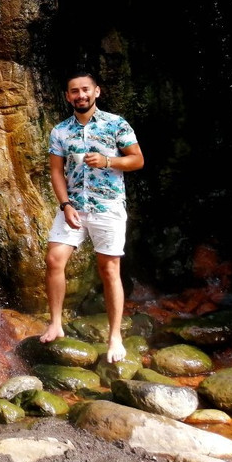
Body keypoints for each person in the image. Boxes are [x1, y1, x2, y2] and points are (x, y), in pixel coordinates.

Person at [39, 72, 144, 363]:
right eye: (74, 91)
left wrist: (109, 160)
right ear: (67, 96)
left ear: (96, 92)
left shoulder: (116, 123)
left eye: (85, 89)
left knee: (109, 269)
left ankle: (115, 337)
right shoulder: (60, 131)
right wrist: (64, 204)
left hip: (107, 206)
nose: (80, 95)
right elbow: (56, 171)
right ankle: (56, 323)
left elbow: (137, 159)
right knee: (54, 260)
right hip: (74, 207)